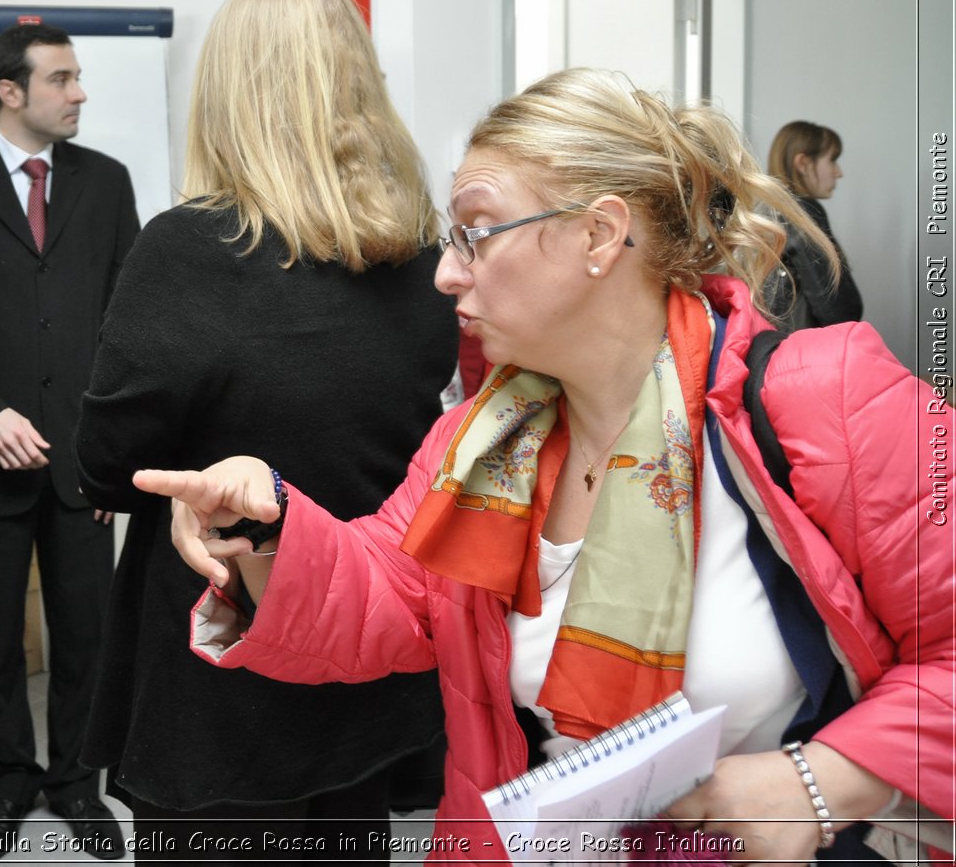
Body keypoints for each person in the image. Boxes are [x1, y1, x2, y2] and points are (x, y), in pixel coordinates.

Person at [144, 67, 953, 864]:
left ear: (599, 235)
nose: (445, 272)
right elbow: (393, 591)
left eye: (476, 231)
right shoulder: (483, 440)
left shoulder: (831, 395)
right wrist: (270, 522)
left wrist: (820, 782)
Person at [73, 0, 456, 861]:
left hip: (227, 665)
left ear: (230, 96)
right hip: (366, 652)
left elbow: (106, 465)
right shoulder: (423, 259)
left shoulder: (190, 249)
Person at [0, 23, 139, 860]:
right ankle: (9, 776)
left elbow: (128, 326)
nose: (79, 92)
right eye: (62, 78)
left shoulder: (108, 183)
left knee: (87, 631)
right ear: (10, 91)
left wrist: (113, 444)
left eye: (78, 77)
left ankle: (77, 780)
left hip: (85, 462)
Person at [766, 120, 864, 332]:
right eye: (832, 160)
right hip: (804, 356)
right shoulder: (800, 214)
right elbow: (841, 313)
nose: (839, 172)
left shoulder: (762, 212)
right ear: (803, 163)